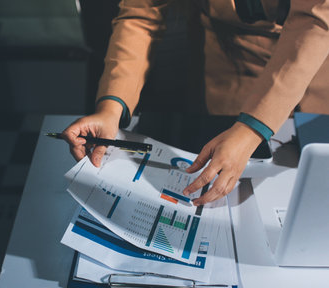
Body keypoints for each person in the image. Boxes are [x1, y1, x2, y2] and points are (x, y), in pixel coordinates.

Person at [62, 0, 329, 206]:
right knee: (234, 194)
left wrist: (251, 130)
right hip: (232, 66)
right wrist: (111, 107)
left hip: (319, 61)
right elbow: (142, 14)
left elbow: (317, 18)